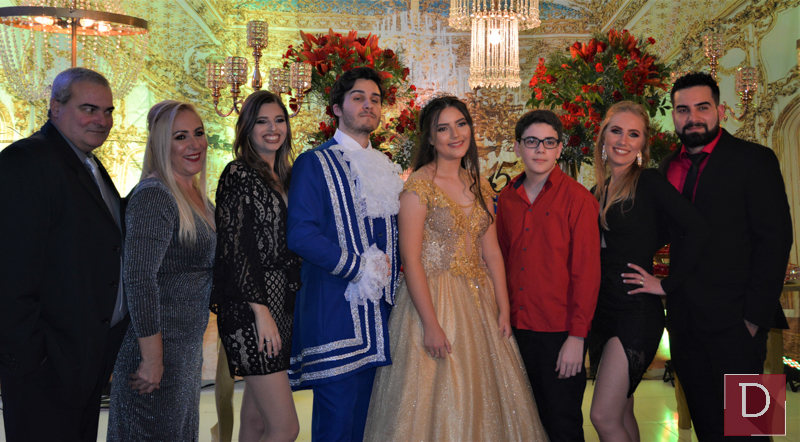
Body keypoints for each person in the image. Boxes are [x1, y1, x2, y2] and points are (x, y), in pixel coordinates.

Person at [363, 96, 548, 441]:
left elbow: (492, 252)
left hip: (480, 300)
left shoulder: (479, 183)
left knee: (489, 399)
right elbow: (411, 260)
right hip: (434, 300)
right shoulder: (418, 187)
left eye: (461, 124)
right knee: (437, 399)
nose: (455, 134)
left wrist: (504, 308)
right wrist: (430, 325)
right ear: (430, 139)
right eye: (443, 129)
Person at [656, 72, 793, 441]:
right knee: (709, 430)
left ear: (719, 110)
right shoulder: (666, 167)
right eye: (683, 110)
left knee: (753, 431)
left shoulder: (755, 159)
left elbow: (776, 240)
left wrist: (753, 319)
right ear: (674, 116)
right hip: (685, 325)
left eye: (702, 107)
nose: (693, 117)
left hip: (740, 324)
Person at [0, 67, 127, 442]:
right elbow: (10, 271)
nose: (102, 120)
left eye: (108, 111)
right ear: (55, 107)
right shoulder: (26, 161)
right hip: (46, 369)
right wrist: (36, 359)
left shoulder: (89, 163)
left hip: (83, 363)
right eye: (89, 109)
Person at [287, 66, 403, 442]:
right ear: (337, 108)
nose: (368, 105)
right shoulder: (313, 162)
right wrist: (358, 267)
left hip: (381, 320)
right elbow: (300, 234)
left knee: (368, 425)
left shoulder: (386, 165)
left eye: (375, 99)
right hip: (335, 315)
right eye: (358, 98)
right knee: (336, 426)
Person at [586, 101, 707, 441]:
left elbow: (697, 228)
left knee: (602, 415)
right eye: (616, 131)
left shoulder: (648, 181)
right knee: (622, 411)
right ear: (603, 137)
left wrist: (667, 284)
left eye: (634, 134)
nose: (623, 141)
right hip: (602, 311)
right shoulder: (597, 190)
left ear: (643, 144)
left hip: (636, 311)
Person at [107, 100, 216, 441]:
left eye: (198, 133)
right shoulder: (155, 195)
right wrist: (152, 359)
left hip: (183, 356)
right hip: (155, 356)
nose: (194, 144)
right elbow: (139, 279)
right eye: (180, 137)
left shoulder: (195, 194)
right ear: (160, 144)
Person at [496, 109, 601, 442]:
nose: (540, 149)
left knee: (562, 423)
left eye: (549, 142)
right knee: (523, 421)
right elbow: (501, 262)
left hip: (560, 333)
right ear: (517, 147)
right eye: (531, 141)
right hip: (515, 329)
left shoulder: (579, 200)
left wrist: (577, 338)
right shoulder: (506, 198)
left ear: (559, 148)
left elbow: (587, 273)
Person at [211, 90, 302, 442]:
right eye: (262, 121)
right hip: (252, 310)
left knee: (257, 423)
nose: (272, 128)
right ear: (247, 128)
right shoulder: (239, 174)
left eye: (279, 120)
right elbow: (236, 251)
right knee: (285, 428)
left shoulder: (287, 175)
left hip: (281, 306)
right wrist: (262, 314)